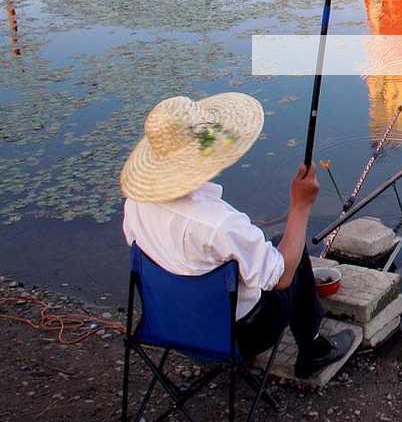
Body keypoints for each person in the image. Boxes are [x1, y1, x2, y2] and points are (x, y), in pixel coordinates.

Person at [120, 94, 354, 378]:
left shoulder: (135, 204)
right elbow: (281, 279)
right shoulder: (221, 224)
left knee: (275, 244)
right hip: (236, 337)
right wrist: (300, 207)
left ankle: (260, 347)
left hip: (167, 326)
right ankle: (313, 350)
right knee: (293, 254)